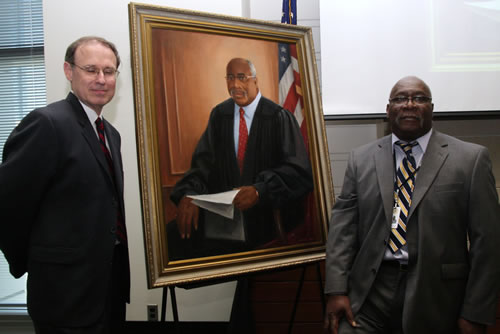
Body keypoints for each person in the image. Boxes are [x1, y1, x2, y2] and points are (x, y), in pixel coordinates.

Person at [323, 76, 500, 334]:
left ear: (431, 108)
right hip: (370, 291)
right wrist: (336, 290)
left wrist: (475, 312)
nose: (409, 104)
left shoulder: (470, 159)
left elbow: (488, 242)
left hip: (438, 295)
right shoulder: (360, 159)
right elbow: (342, 231)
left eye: (419, 98)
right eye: (400, 99)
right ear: (388, 110)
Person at [0, 36, 130, 334]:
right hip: (63, 295)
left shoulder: (110, 133)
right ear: (69, 72)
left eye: (109, 71)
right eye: (90, 69)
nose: (101, 79)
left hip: (108, 289)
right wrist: (34, 261)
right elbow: (7, 204)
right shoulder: (47, 123)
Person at [169, 57, 313, 259]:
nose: (235, 85)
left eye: (241, 77)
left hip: (265, 215)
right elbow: (202, 165)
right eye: (230, 78)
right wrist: (189, 194)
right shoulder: (220, 115)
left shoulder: (278, 117)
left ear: (255, 80)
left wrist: (259, 190)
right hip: (224, 216)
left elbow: (298, 172)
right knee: (172, 237)